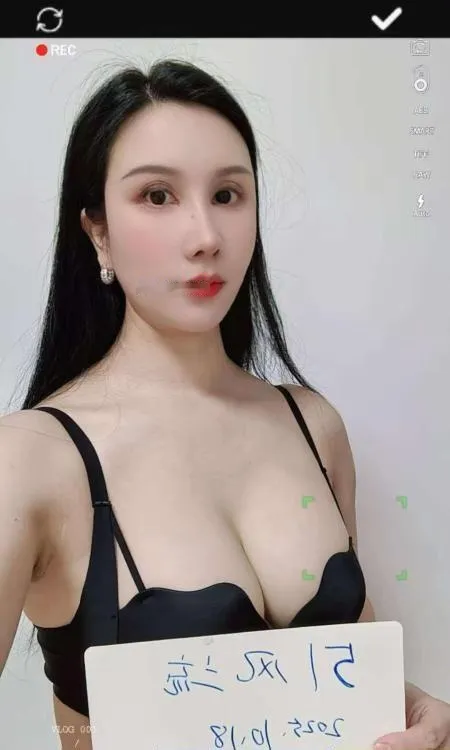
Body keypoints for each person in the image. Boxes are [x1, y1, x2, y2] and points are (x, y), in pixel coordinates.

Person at [0, 58, 449, 750]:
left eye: (228, 195)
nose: (206, 235)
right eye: (157, 195)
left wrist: (416, 711)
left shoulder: (312, 425)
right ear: (97, 231)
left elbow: (341, 683)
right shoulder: (32, 458)